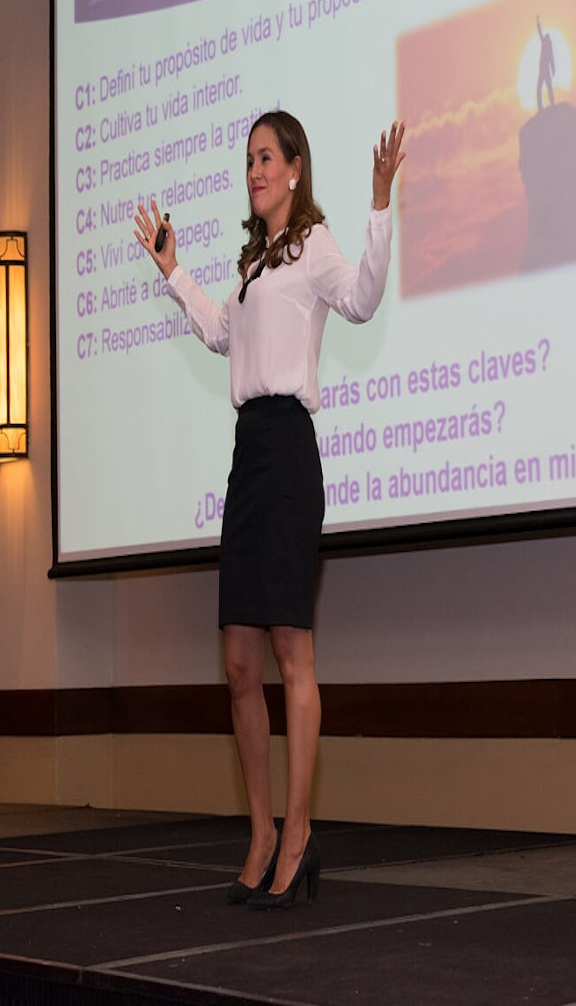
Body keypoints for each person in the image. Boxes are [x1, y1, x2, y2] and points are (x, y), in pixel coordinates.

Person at [133, 110, 405, 909]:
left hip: (288, 454)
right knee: (238, 665)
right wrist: (174, 272)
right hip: (248, 457)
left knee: (292, 655)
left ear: (293, 169)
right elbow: (223, 334)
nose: (253, 170)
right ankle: (259, 832)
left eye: (264, 158)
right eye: (247, 159)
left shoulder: (312, 245)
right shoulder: (254, 263)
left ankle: (298, 833)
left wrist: (380, 203)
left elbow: (362, 300)